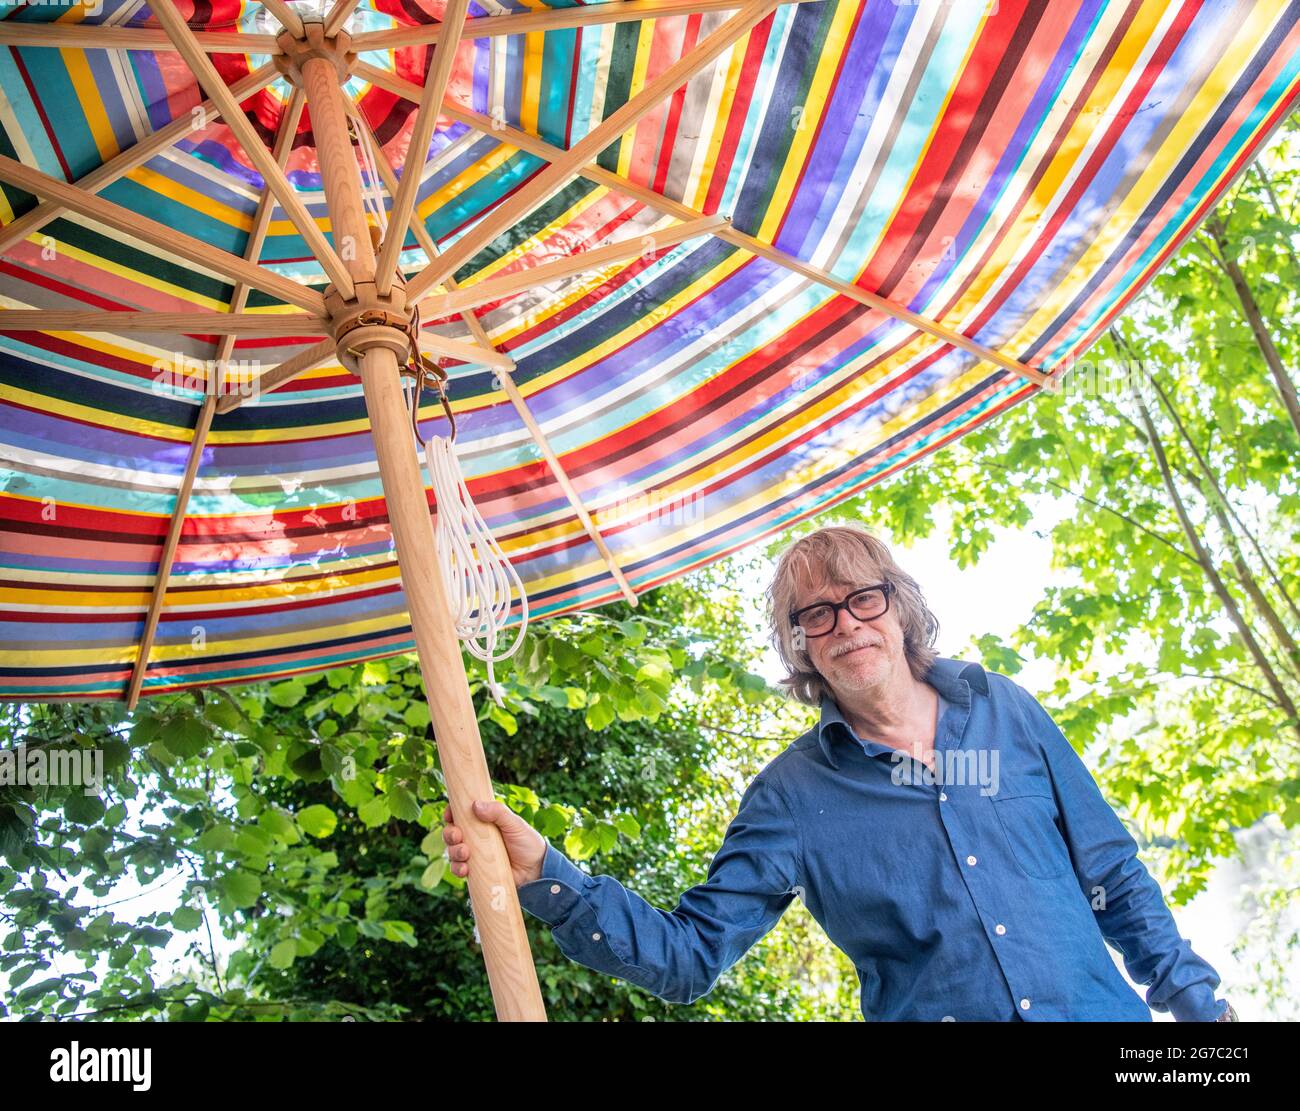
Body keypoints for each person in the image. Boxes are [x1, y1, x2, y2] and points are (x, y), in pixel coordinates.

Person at [441, 524, 1235, 1021]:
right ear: (799, 645)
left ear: (899, 606)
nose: (844, 623)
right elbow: (688, 958)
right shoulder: (792, 796)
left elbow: (1115, 879)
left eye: (862, 598)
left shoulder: (1004, 712)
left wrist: (1201, 1016)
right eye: (815, 613)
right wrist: (548, 875)